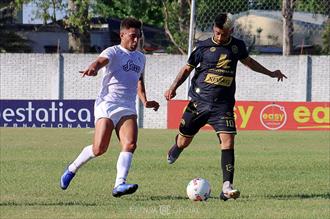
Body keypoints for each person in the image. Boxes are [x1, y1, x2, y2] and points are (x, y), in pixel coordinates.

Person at [164, 13, 287, 201]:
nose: (220, 37)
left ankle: (227, 187)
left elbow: (250, 62)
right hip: (199, 102)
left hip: (223, 106)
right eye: (217, 33)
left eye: (223, 34)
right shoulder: (203, 47)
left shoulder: (237, 46)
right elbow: (187, 69)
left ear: (232, 31)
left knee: (228, 142)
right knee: (183, 141)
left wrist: (270, 73)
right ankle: (176, 148)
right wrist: (173, 87)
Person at [60, 17, 159, 197]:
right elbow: (99, 62)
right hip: (107, 104)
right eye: (132, 36)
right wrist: (93, 68)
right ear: (122, 35)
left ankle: (119, 184)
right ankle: (72, 168)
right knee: (99, 149)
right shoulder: (113, 52)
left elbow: (139, 81)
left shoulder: (141, 58)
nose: (136, 40)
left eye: (138, 36)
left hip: (127, 106)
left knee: (130, 144)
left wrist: (145, 101)